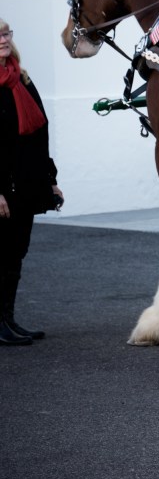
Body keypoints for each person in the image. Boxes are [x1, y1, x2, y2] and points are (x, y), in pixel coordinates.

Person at [0, 19, 63, 346]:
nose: (3, 39)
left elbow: (40, 133)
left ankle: (7, 320)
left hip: (25, 181)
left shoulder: (21, 78)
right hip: (4, 187)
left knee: (16, 253)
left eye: (6, 33)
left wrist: (50, 180)